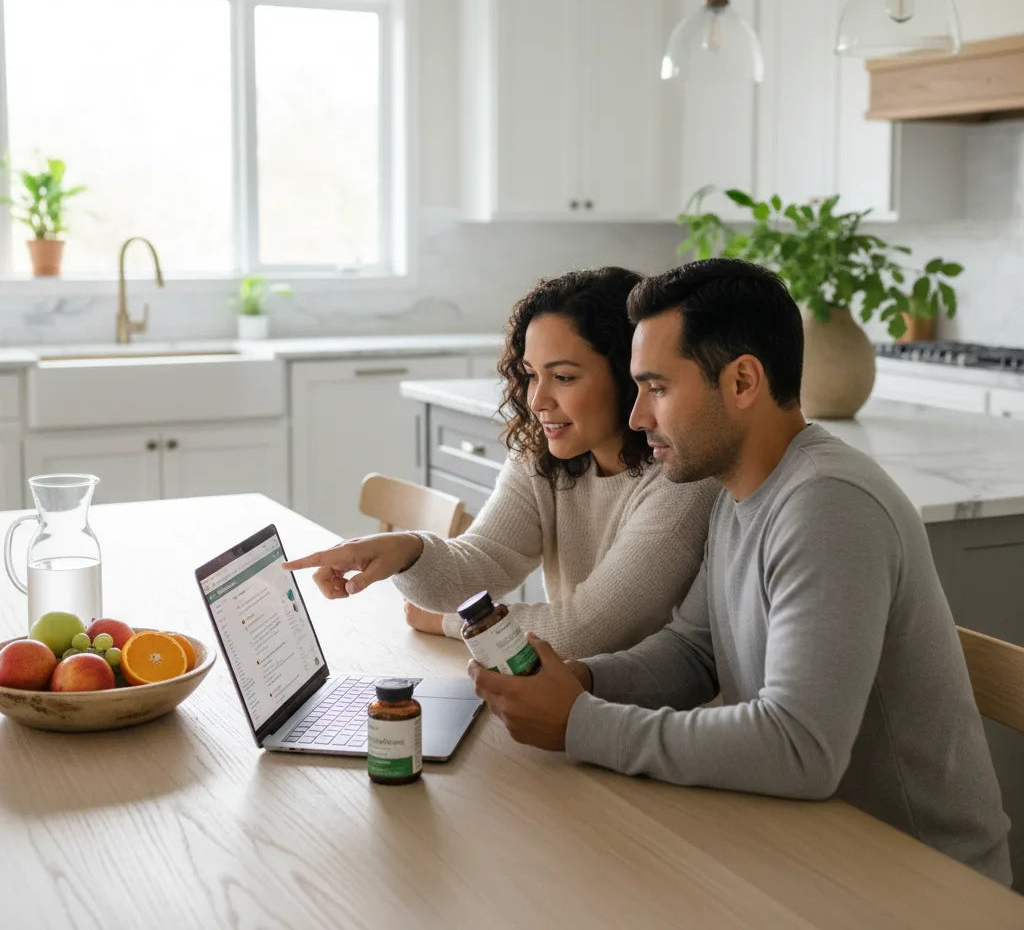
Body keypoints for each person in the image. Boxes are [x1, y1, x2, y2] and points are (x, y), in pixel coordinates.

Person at [468, 258, 1012, 885]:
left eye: (658, 388)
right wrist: (582, 680)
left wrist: (581, 723)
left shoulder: (828, 506)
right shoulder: (737, 490)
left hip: (919, 884)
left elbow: (800, 748)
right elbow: (694, 651)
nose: (639, 416)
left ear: (743, 381)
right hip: (810, 846)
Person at [284, 266, 719, 658]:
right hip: (566, 696)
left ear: (630, 375)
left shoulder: (682, 477)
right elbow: (480, 564)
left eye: (564, 377)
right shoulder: (545, 453)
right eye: (531, 374)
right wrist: (407, 553)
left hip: (653, 725)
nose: (537, 400)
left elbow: (585, 633)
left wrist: (452, 622)